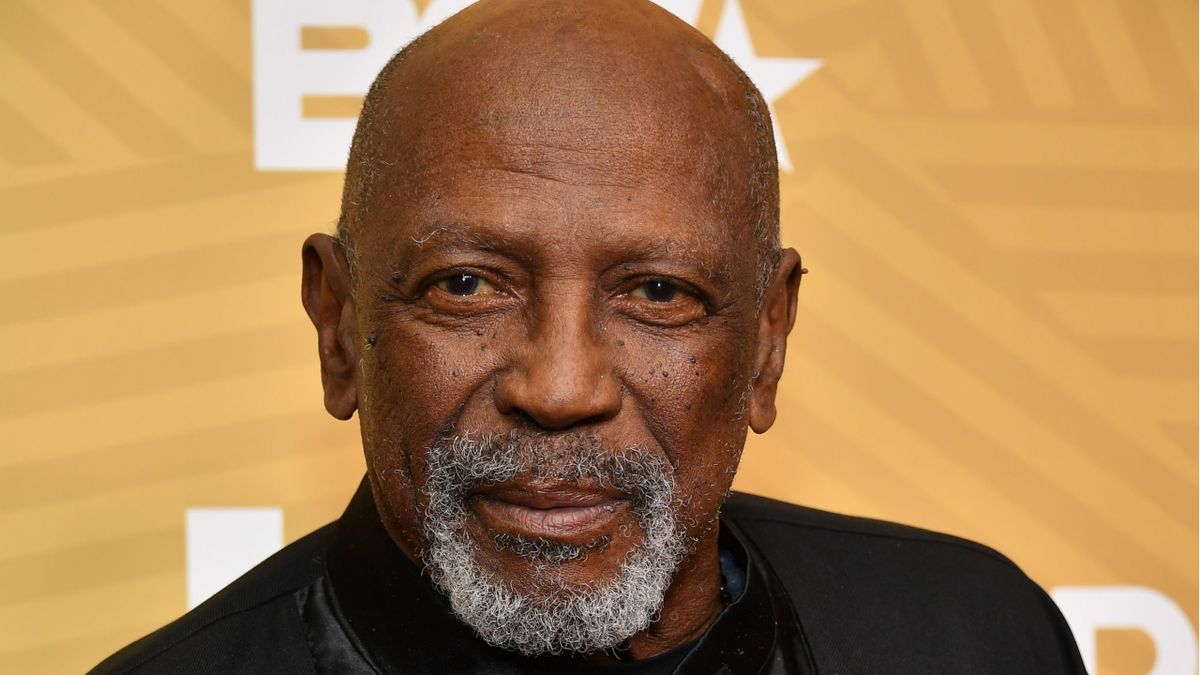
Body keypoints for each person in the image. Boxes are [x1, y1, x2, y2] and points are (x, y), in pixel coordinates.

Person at [92, 0, 1086, 672]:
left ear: (769, 343)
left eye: (658, 292)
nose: (561, 387)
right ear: (339, 326)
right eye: (467, 284)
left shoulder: (970, 637)